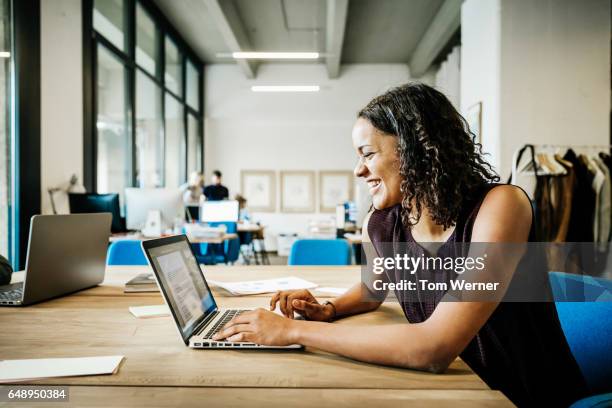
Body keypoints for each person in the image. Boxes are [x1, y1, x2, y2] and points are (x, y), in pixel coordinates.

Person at [212, 83, 590, 406]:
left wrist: (292, 332)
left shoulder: (500, 206)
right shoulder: (383, 222)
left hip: (520, 395)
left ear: (415, 148)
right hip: (453, 389)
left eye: (368, 154)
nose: (359, 171)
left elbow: (434, 347)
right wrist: (328, 310)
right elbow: (373, 288)